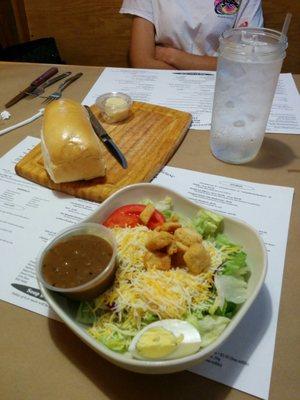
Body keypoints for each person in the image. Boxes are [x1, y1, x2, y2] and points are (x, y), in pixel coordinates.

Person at [120, 0, 263, 70]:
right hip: (163, 83)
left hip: (222, 88)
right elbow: (142, 62)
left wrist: (172, 56)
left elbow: (247, 63)